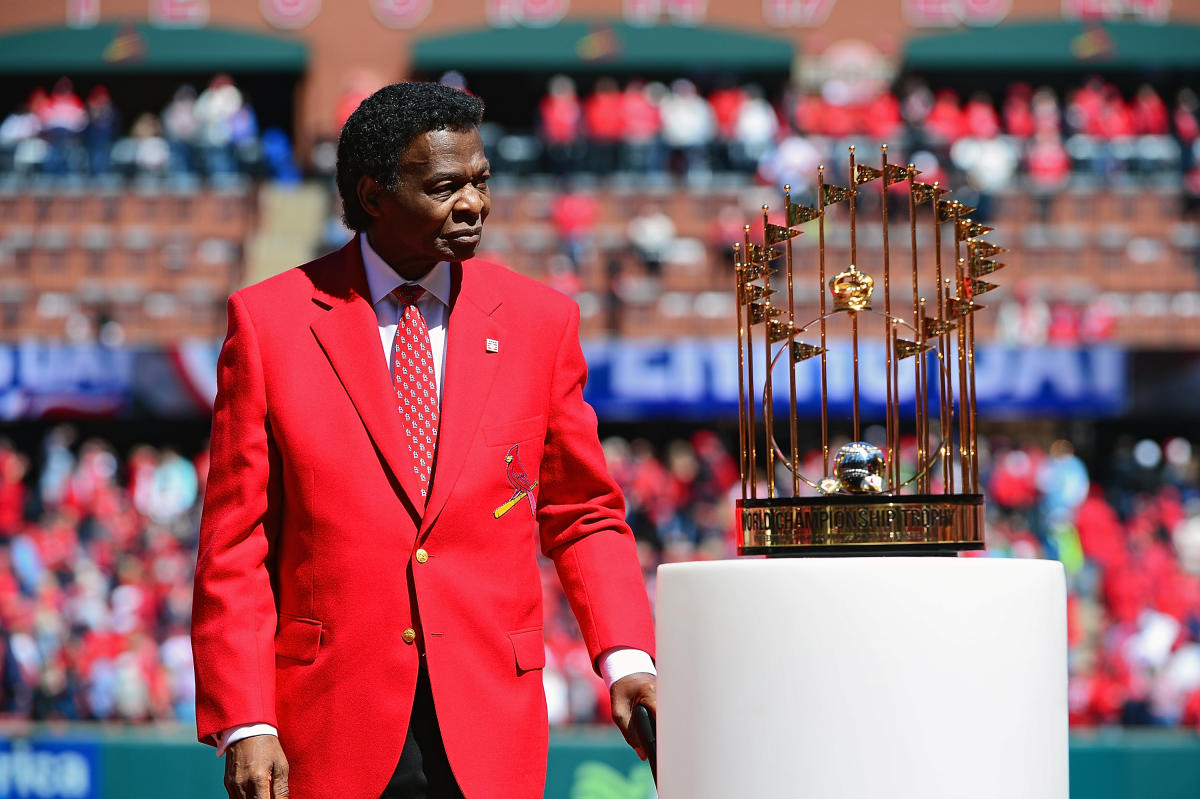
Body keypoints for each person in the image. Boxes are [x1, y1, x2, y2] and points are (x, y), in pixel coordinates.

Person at [191, 82, 657, 799]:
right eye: (445, 186)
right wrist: (246, 719)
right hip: (327, 726)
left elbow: (583, 510)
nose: (473, 203)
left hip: (489, 726)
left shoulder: (541, 322)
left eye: (480, 181)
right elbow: (235, 543)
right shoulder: (268, 324)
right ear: (374, 194)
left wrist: (626, 656)